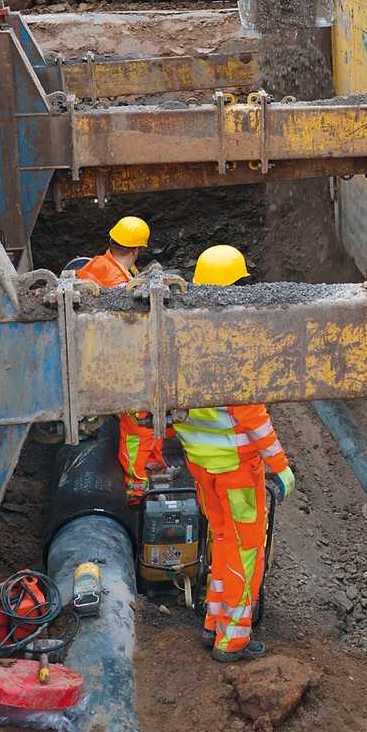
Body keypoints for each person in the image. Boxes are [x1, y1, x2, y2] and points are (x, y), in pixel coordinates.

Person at [173, 245, 295, 663]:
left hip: (202, 468)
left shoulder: (181, 336)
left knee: (222, 542)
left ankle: (214, 623)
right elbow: (253, 415)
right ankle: (234, 639)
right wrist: (280, 466)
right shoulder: (232, 343)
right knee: (246, 551)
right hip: (238, 471)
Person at [77, 216, 165, 502]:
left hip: (98, 354)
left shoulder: (101, 265)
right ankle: (136, 486)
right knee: (138, 422)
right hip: (116, 362)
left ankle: (151, 463)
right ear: (137, 249)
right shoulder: (116, 281)